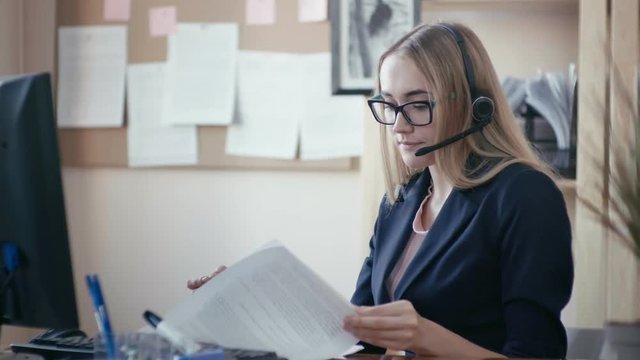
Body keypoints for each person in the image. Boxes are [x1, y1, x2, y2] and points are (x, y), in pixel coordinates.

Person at [188, 22, 573, 359]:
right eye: (389, 105)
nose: (398, 127)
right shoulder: (399, 203)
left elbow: (537, 355)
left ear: (474, 105)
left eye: (418, 105)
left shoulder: (525, 196)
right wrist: (253, 307)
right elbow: (358, 342)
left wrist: (424, 335)